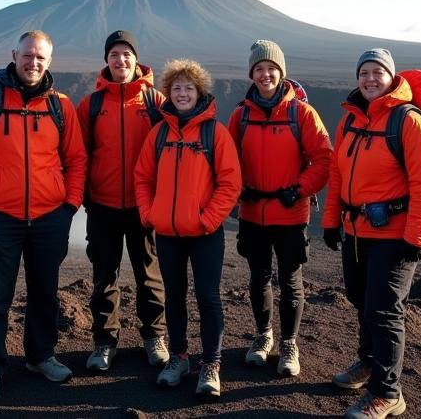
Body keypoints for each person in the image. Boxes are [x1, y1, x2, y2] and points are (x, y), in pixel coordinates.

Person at [0, 30, 87, 403]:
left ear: (49, 61)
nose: (33, 63)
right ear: (14, 55)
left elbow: (77, 159)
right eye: (27, 55)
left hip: (49, 218)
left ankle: (40, 356)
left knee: (45, 293)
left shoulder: (60, 105)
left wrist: (69, 207)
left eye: (40, 57)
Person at [322, 48, 421, 419]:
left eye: (377, 72)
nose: (370, 79)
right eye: (364, 73)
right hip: (356, 231)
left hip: (395, 234)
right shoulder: (350, 119)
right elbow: (338, 173)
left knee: (384, 310)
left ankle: (387, 393)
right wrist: (330, 220)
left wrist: (416, 238)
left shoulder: (408, 120)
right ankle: (369, 362)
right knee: (361, 299)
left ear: (391, 77)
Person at [134, 59, 242, 398]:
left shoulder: (215, 133)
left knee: (208, 297)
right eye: (176, 88)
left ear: (200, 92)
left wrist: (208, 220)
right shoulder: (159, 133)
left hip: (205, 235)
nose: (182, 94)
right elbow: (142, 177)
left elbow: (230, 183)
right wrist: (150, 214)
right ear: (168, 93)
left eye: (189, 88)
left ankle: (211, 364)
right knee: (174, 296)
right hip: (168, 234)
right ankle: (179, 357)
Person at [227, 40, 332, 376]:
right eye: (259, 69)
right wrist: (238, 189)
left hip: (290, 214)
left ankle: (289, 344)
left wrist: (299, 190)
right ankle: (263, 337)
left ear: (281, 72)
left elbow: (324, 158)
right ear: (252, 73)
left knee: (290, 280)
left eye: (271, 68)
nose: (265, 74)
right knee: (258, 277)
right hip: (252, 214)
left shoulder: (302, 114)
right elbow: (226, 160)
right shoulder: (241, 115)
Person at [76, 30, 168, 371]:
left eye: (126, 53)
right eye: (114, 54)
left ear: (136, 59)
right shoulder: (92, 104)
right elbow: (79, 154)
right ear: (106, 60)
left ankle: (154, 336)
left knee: (150, 275)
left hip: (145, 207)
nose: (121, 60)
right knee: (104, 277)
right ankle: (104, 342)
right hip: (102, 205)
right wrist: (83, 197)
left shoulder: (155, 101)